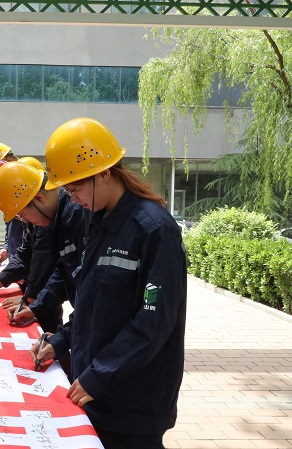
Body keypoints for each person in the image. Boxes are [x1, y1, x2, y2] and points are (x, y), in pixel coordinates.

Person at [32, 117, 187, 449]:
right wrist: (60, 342)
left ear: (104, 173)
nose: (72, 200)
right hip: (100, 391)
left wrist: (99, 374)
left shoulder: (154, 231)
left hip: (132, 402)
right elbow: (93, 307)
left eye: (74, 189)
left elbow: (153, 324)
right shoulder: (99, 225)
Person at [0, 161, 88, 334]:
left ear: (39, 198)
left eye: (24, 216)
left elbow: (93, 294)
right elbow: (63, 272)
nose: (28, 222)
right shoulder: (57, 217)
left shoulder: (78, 215)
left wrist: (32, 299)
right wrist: (36, 306)